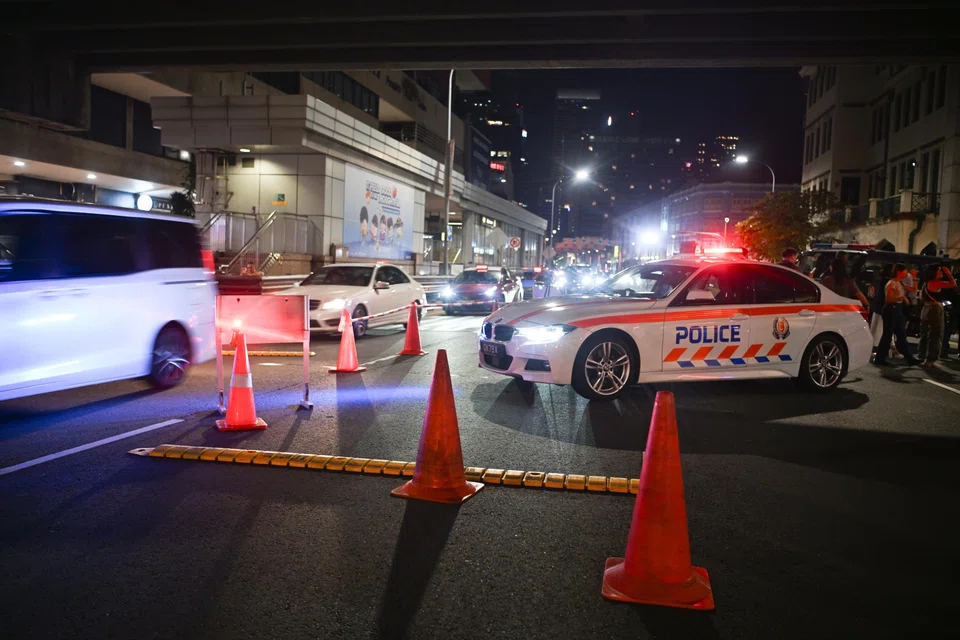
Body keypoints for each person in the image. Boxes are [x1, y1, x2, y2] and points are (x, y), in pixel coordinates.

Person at [874, 263, 919, 366]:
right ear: (899, 271)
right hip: (891, 309)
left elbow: (913, 289)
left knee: (901, 334)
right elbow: (889, 299)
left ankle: (910, 358)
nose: (906, 273)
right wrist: (901, 298)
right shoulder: (892, 283)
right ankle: (880, 358)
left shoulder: (900, 283)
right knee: (888, 335)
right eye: (905, 271)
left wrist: (915, 278)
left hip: (897, 309)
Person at [918, 263, 957, 365]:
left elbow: (921, 298)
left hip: (925, 309)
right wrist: (949, 274)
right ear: (934, 272)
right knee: (935, 334)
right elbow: (953, 284)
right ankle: (931, 359)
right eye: (939, 271)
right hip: (935, 310)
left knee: (925, 334)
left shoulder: (926, 283)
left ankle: (922, 356)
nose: (941, 273)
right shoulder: (936, 283)